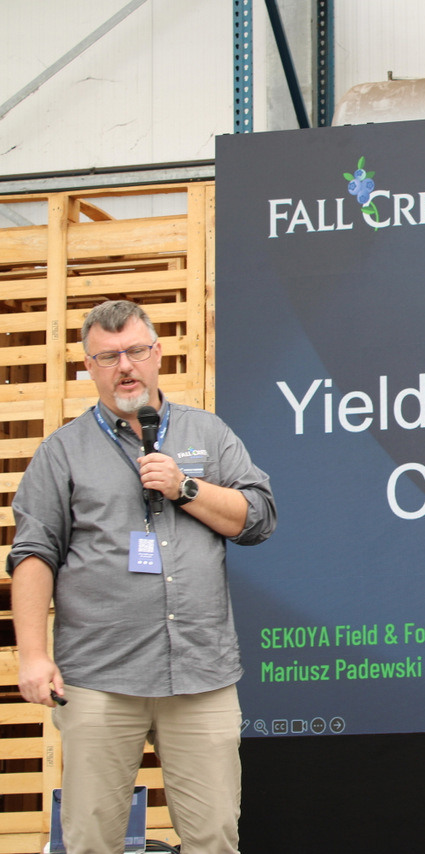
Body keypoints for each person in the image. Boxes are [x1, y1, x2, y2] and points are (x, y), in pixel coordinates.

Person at [7, 300, 277, 853]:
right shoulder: (62, 451)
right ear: (89, 367)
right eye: (108, 357)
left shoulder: (208, 432)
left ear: (157, 354)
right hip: (99, 677)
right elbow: (33, 553)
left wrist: (185, 487)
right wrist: (32, 656)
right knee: (90, 841)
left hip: (200, 673)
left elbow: (258, 519)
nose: (125, 366)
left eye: (135, 351)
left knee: (215, 838)